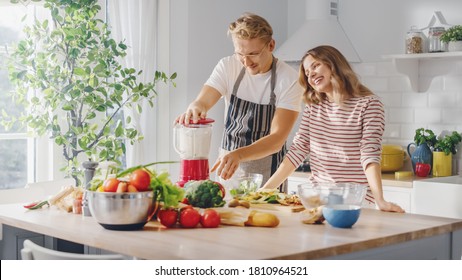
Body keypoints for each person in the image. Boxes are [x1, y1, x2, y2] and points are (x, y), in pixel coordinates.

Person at [260, 45, 404, 213]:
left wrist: (380, 200)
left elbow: (369, 154)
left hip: (355, 201)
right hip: (318, 200)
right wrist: (265, 191)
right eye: (307, 73)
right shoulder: (314, 107)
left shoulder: (369, 104)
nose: (311, 74)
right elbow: (297, 151)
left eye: (315, 66)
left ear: (333, 64)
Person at [176, 13, 303, 191]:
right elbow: (203, 101)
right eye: (240, 54)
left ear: (271, 45)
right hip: (228, 171)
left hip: (268, 176)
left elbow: (277, 139)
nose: (246, 62)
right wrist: (196, 107)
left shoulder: (289, 79)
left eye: (253, 54)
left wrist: (239, 154)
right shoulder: (228, 66)